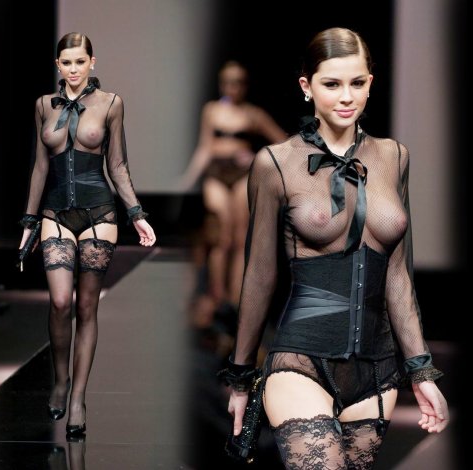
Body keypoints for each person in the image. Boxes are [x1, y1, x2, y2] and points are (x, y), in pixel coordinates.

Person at [223, 28, 448, 469]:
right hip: (300, 362)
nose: (347, 97)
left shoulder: (394, 157)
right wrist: (241, 377)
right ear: (306, 86)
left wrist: (420, 371)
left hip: (378, 371)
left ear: (370, 83)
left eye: (357, 82)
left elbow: (398, 277)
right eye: (331, 84)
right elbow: (260, 275)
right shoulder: (277, 163)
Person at [19, 32, 156, 437]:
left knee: (86, 307)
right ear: (58, 65)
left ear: (92, 62)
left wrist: (137, 214)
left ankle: (78, 397)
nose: (74, 69)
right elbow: (40, 167)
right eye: (67, 62)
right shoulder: (44, 105)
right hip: (55, 213)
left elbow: (118, 165)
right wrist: (29, 222)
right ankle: (60, 379)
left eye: (80, 61)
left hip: (99, 213)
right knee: (61, 302)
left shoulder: (111, 104)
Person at [181, 62, 286, 318]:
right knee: (220, 236)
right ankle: (217, 297)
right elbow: (205, 147)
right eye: (227, 82)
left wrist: (256, 157)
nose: (232, 87)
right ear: (221, 84)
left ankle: (236, 300)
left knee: (240, 238)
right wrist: (186, 180)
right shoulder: (211, 110)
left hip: (241, 175)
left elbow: (283, 142)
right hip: (216, 173)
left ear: (245, 85)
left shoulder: (252, 114)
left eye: (237, 82)